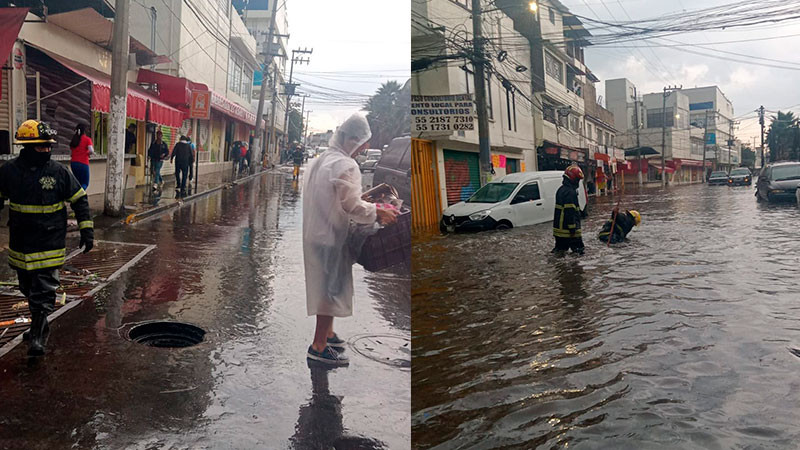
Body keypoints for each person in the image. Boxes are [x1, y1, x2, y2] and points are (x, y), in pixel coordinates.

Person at [303, 113, 398, 366]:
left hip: (317, 232)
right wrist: (378, 212)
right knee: (329, 290)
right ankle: (318, 346)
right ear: (352, 140)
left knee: (329, 286)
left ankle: (328, 333)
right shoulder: (346, 165)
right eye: (363, 142)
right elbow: (351, 205)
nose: (364, 148)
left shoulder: (323, 160)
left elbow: (336, 198)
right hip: (331, 236)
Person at [0, 120, 94, 357]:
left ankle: (37, 337)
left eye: (48, 146)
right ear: (26, 147)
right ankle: (39, 323)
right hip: (21, 243)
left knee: (43, 291)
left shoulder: (58, 172)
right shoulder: (9, 171)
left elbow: (80, 200)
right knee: (27, 288)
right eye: (41, 146)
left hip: (49, 242)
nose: (46, 150)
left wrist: (87, 230)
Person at [552, 165, 585, 255]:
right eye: (578, 180)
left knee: (559, 252)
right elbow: (569, 212)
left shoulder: (561, 190)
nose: (578, 183)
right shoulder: (570, 192)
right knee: (579, 252)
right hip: (568, 231)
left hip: (559, 230)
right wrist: (572, 228)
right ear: (573, 179)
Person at [69, 123, 94, 190]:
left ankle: (74, 193)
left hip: (73, 163)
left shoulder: (74, 140)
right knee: (85, 183)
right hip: (83, 163)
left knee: (77, 182)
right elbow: (91, 150)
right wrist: (88, 153)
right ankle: (80, 195)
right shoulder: (87, 139)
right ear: (84, 131)